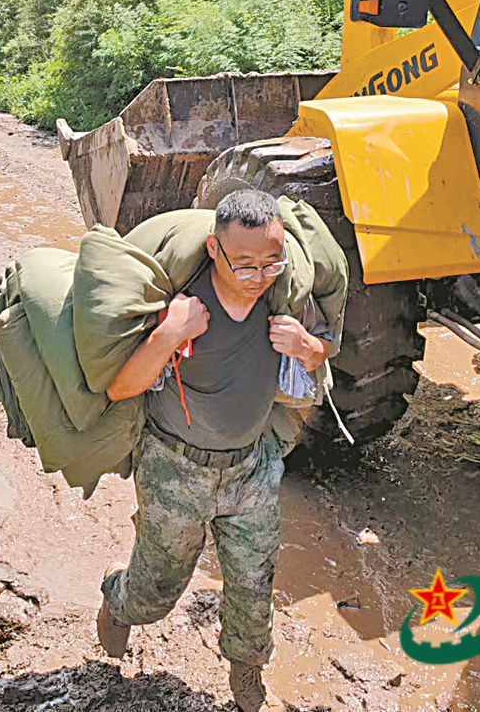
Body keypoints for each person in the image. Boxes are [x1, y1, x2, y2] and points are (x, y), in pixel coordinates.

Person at [96, 189, 333, 712]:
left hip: (252, 468)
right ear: (213, 248)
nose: (258, 275)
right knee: (157, 590)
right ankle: (118, 601)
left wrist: (307, 348)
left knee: (254, 588)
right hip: (174, 468)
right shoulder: (182, 304)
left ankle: (246, 676)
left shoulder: (283, 294)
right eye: (244, 263)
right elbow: (120, 387)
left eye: (271, 261)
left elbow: (324, 351)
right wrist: (168, 336)